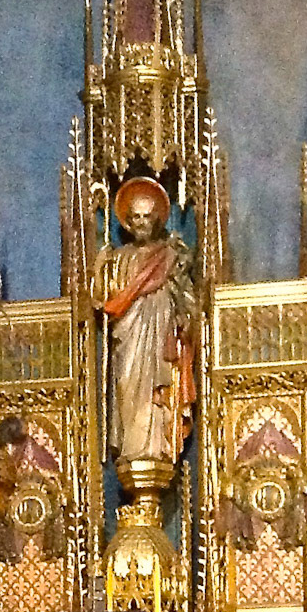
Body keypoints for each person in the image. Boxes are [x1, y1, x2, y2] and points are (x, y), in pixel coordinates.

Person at [93, 175, 196, 466]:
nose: (141, 223)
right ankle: (132, 451)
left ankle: (159, 449)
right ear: (127, 220)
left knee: (159, 394)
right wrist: (101, 266)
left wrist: (185, 319)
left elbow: (188, 300)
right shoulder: (119, 258)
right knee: (127, 384)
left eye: (147, 217)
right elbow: (102, 301)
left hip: (161, 332)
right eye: (135, 217)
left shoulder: (170, 255)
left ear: (157, 220)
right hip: (128, 337)